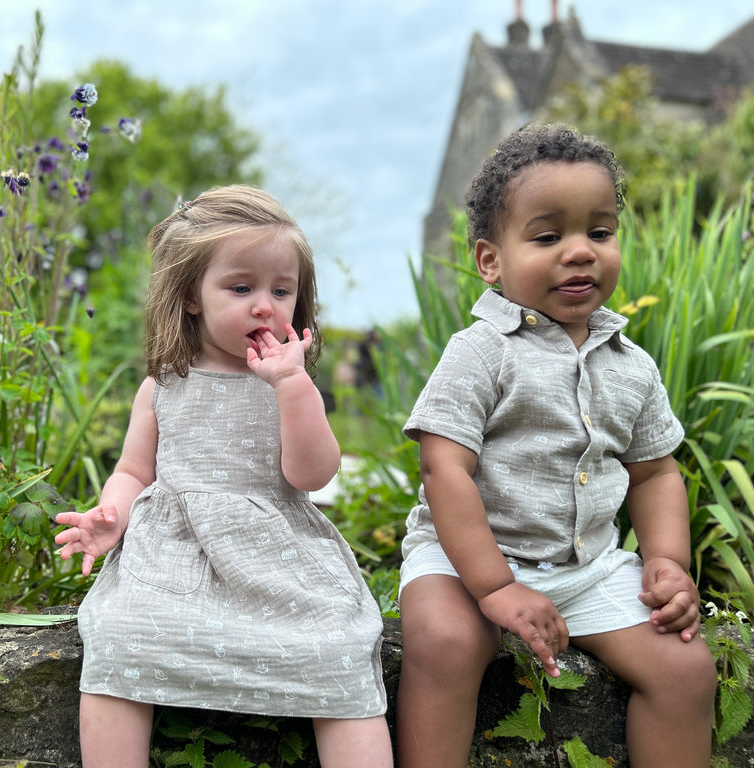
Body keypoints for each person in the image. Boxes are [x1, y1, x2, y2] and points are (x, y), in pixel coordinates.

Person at [395, 124, 717, 768]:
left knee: (684, 668)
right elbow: (444, 467)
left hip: (588, 569)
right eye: (548, 237)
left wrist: (667, 561)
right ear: (491, 260)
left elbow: (654, 475)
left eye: (599, 232)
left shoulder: (633, 366)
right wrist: (494, 588)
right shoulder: (482, 352)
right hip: (465, 563)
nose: (580, 252)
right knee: (443, 641)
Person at [56, 185, 393, 768]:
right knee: (120, 634)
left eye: (281, 290)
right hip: (177, 553)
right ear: (191, 296)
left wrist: (292, 387)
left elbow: (312, 474)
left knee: (337, 645)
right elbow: (135, 470)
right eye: (241, 288)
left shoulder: (289, 386)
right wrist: (112, 515)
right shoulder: (164, 387)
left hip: (273, 551)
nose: (265, 305)